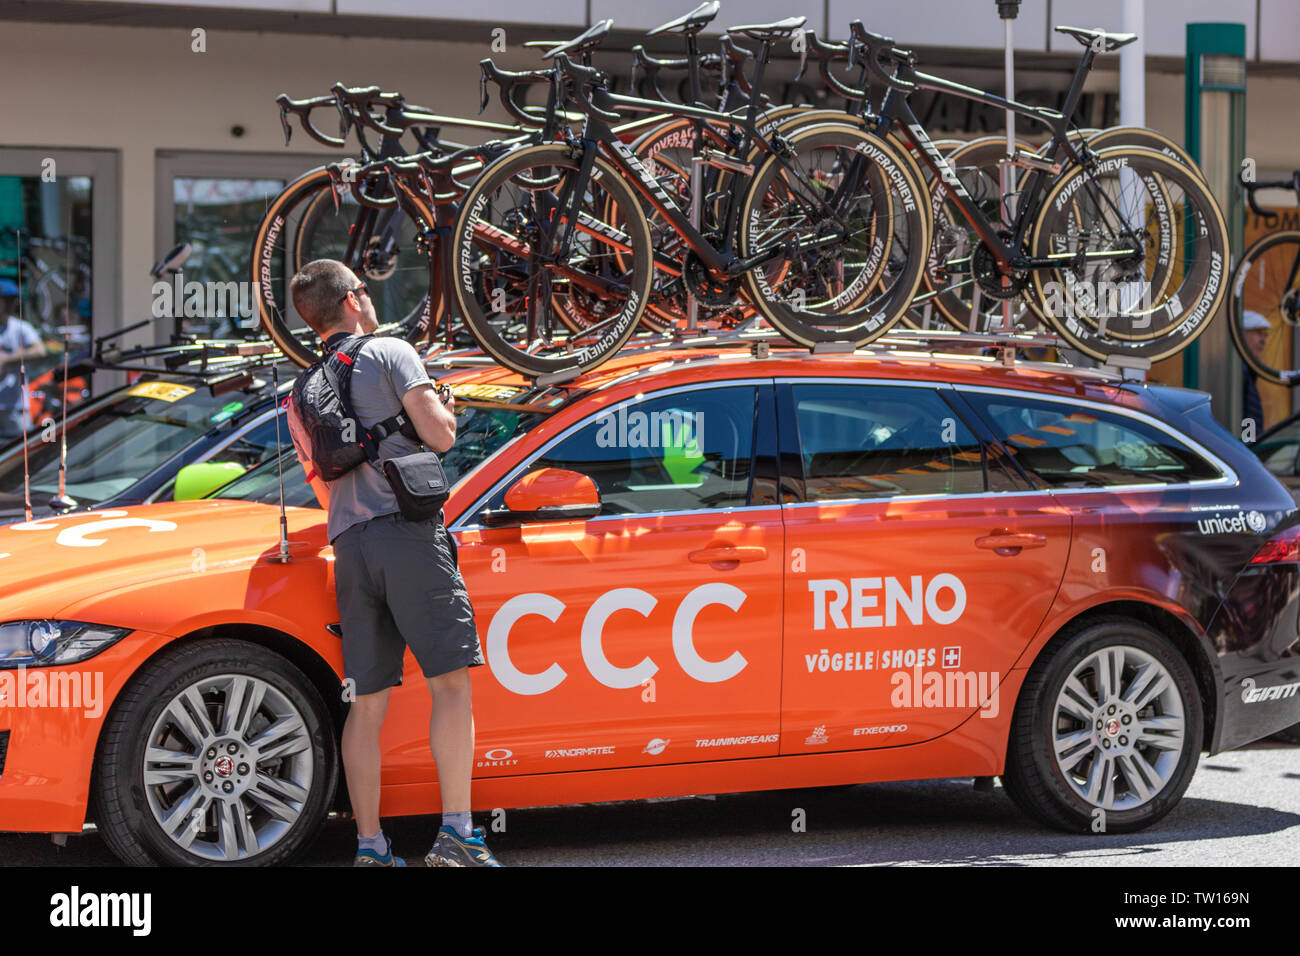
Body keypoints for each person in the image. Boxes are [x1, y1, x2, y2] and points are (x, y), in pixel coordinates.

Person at [283, 259, 501, 867]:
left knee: (367, 702)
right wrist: (446, 409)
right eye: (366, 289)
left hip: (350, 545)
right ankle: (458, 835)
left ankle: (372, 849)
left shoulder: (300, 393)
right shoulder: (389, 352)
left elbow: (321, 484)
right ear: (353, 300)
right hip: (409, 535)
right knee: (451, 684)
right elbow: (441, 436)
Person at [0, 279, 46, 443]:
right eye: (6, 300)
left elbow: (39, 351)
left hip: (15, 407)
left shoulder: (20, 327)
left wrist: (7, 360)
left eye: (12, 300)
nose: (10, 305)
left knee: (20, 453)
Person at [1241, 310, 1270, 440]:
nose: (1263, 340)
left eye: (1265, 335)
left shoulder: (1248, 372)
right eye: (1258, 333)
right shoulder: (1240, 373)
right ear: (1241, 334)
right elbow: (1249, 418)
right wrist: (1250, 444)